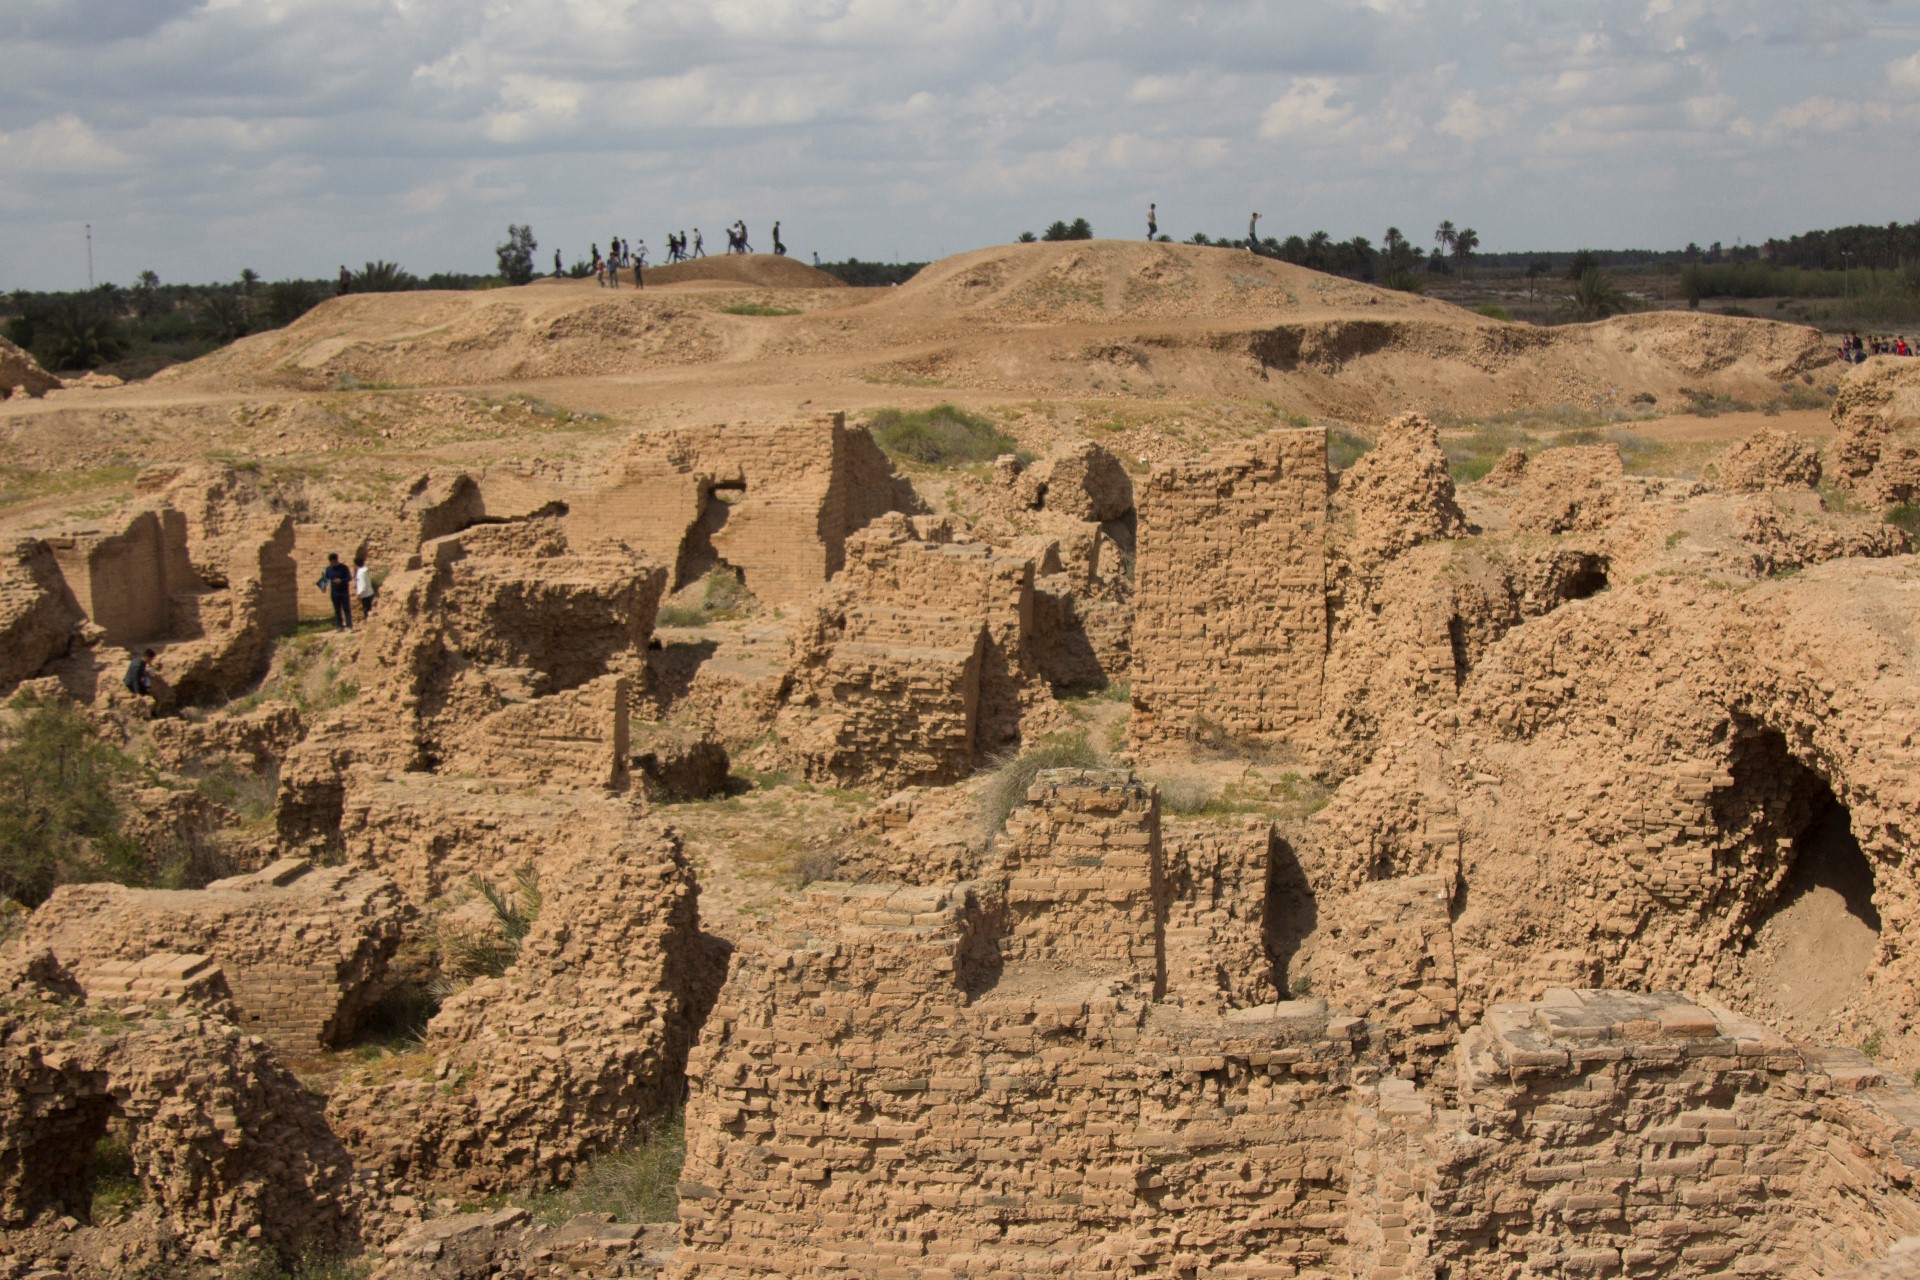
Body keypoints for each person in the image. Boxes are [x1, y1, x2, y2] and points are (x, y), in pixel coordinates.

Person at [318, 552, 354, 631]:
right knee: (337, 610)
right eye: (330, 562)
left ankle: (349, 625)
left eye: (333, 562)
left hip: (344, 591)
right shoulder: (329, 569)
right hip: (334, 592)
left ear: (336, 560)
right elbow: (326, 578)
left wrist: (341, 580)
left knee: (346, 609)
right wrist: (323, 587)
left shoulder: (344, 568)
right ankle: (339, 626)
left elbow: (349, 578)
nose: (332, 564)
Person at [353, 553, 376, 621]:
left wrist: (359, 594)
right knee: (369, 609)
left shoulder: (360, 573)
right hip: (370, 592)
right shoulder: (366, 570)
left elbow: (362, 585)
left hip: (365, 594)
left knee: (366, 610)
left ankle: (368, 626)